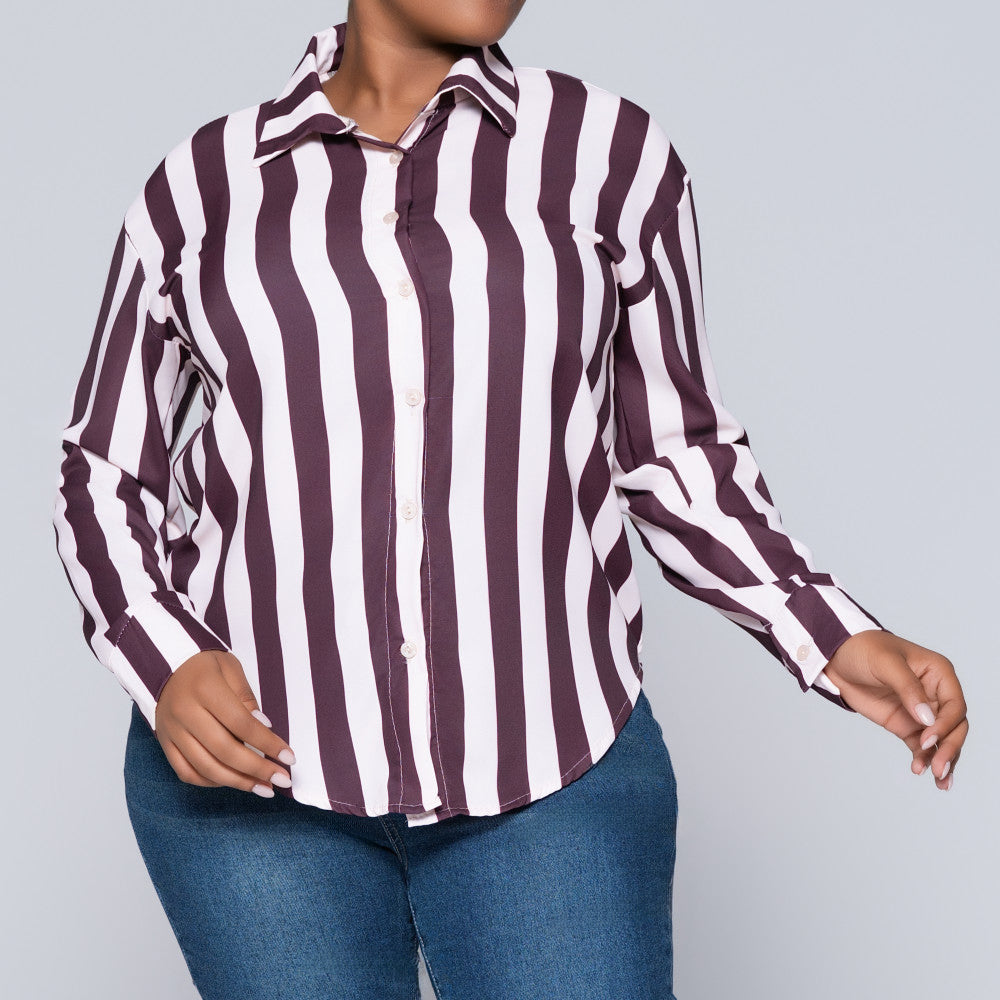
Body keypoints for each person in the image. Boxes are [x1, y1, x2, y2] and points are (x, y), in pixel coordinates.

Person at [50, 2, 968, 998]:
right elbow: (102, 466)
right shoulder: (199, 190)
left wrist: (830, 633)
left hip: (551, 765)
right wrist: (165, 658)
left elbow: (672, 452)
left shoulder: (608, 156)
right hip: (252, 786)